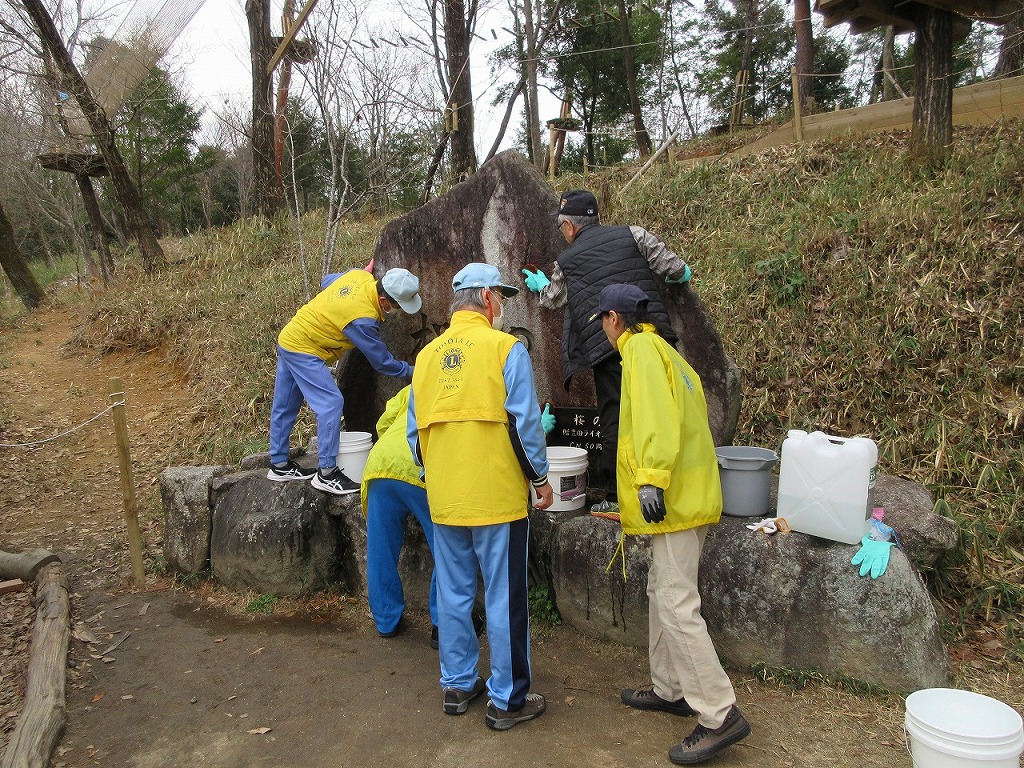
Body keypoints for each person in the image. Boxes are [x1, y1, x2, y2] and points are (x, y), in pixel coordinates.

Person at [592, 283, 750, 765]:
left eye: (602, 321)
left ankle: (720, 713)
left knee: (677, 601)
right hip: (692, 496)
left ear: (615, 318)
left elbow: (656, 420)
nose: (603, 330)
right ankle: (671, 688)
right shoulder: (670, 355)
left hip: (673, 497)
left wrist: (651, 480)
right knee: (662, 590)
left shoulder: (638, 349)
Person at [407, 262, 554, 731]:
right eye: (502, 298)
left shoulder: (427, 357)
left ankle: (456, 684)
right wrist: (541, 479)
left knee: (453, 592)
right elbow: (525, 424)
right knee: (504, 596)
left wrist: (441, 473)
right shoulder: (505, 349)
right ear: (487, 298)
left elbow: (415, 436)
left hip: (445, 498)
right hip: (497, 499)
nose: (503, 306)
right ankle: (507, 700)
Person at [522, 189, 692, 517]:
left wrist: (541, 285)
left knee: (616, 416)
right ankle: (670, 486)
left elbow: (552, 299)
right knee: (664, 409)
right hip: (654, 338)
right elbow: (675, 267)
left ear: (569, 227)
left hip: (609, 347)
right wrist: (680, 278)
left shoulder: (566, 261)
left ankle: (616, 496)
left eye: (561, 228)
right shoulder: (634, 234)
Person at [268, 267, 421, 496]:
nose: (398, 311)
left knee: (285, 405)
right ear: (383, 300)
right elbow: (382, 362)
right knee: (330, 403)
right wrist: (415, 372)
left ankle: (279, 464)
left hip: (291, 337)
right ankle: (327, 474)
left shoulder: (359, 277)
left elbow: (326, 281)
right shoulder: (362, 320)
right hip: (306, 349)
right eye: (397, 306)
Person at [360, 385, 438, 641]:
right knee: (448, 548)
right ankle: (443, 624)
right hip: (422, 466)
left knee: (380, 547)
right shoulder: (459, 383)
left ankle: (386, 621)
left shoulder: (414, 386)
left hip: (381, 464)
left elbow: (384, 422)